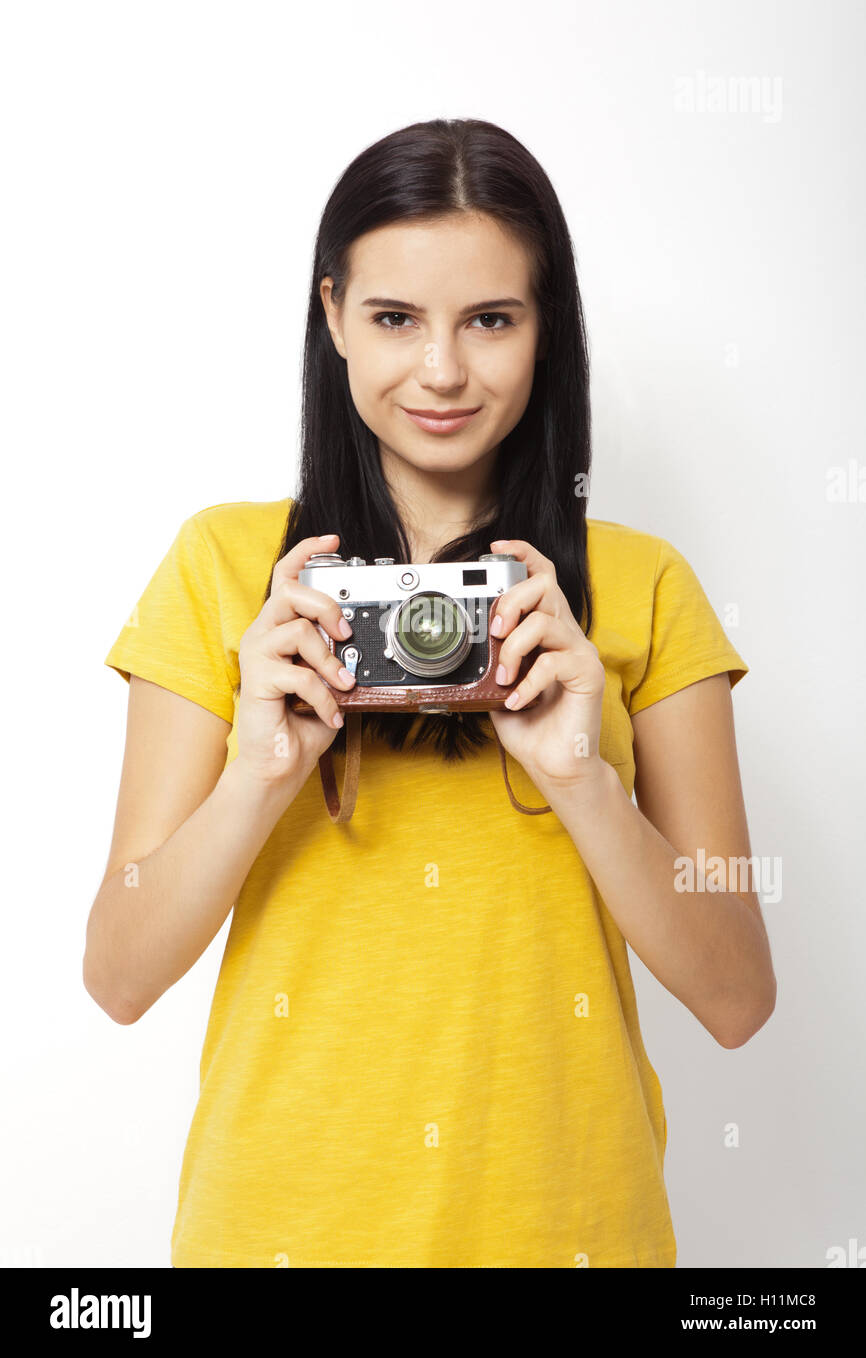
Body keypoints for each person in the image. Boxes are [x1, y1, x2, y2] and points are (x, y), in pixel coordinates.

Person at [85, 118, 776, 1269]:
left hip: (569, 1236)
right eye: (394, 318)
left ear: (545, 329)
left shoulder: (641, 587)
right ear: (332, 317)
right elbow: (117, 972)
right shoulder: (227, 569)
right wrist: (262, 773)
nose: (442, 371)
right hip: (280, 1234)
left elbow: (737, 997)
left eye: (490, 319)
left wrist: (579, 777)